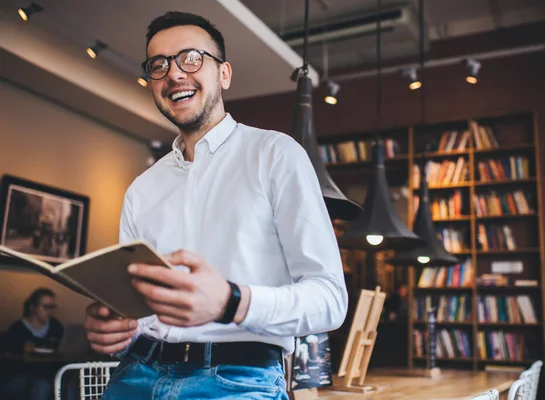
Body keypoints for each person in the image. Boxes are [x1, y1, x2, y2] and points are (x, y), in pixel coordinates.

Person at [83, 11, 348, 399]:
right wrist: (117, 327)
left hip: (239, 378)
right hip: (136, 373)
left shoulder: (276, 155)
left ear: (223, 74)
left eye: (190, 58)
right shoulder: (141, 189)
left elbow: (330, 299)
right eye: (159, 65)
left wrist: (231, 301)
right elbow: (139, 312)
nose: (173, 74)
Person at [1, 287, 63, 400]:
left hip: (49, 375)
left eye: (52, 307)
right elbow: (8, 357)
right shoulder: (17, 328)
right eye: (46, 307)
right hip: (20, 376)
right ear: (32, 307)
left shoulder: (55, 326)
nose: (50, 311)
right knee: (41, 386)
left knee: (67, 384)